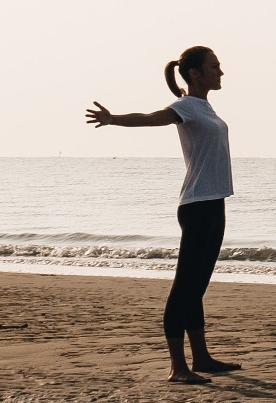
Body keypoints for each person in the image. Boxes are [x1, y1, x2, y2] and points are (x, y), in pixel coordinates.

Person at [84, 46, 240, 384]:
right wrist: (113, 119)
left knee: (197, 286)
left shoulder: (203, 106)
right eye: (215, 66)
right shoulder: (184, 107)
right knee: (185, 287)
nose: (221, 72)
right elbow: (151, 118)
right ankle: (177, 367)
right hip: (197, 206)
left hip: (214, 203)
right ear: (195, 73)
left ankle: (201, 357)